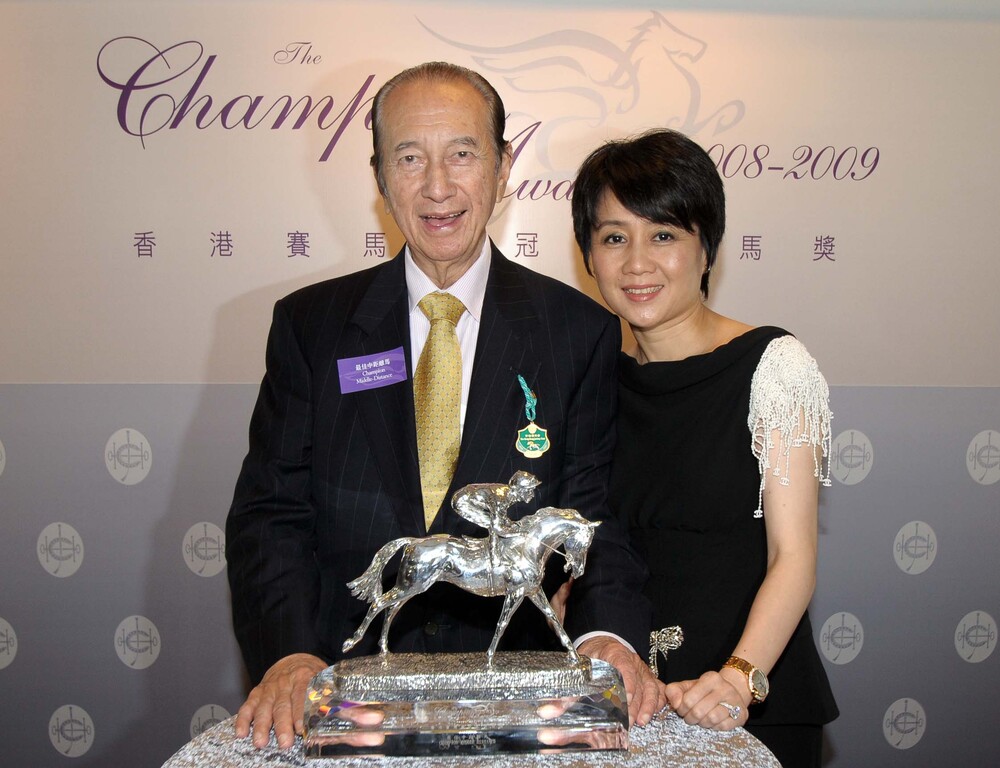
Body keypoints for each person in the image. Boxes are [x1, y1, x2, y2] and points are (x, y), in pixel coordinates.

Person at [225, 61, 661, 750]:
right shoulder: (313, 327)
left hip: (521, 703)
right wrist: (287, 652)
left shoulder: (577, 330)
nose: (438, 186)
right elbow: (270, 512)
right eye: (409, 158)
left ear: (503, 165)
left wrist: (607, 636)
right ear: (378, 176)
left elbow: (594, 511)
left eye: (462, 153)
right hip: (346, 696)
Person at [571, 129, 839, 767]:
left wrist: (739, 676)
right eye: (614, 237)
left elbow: (793, 555)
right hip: (629, 710)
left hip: (746, 704)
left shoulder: (773, 366)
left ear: (707, 247)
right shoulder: (591, 379)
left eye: (663, 234)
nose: (637, 262)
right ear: (588, 255)